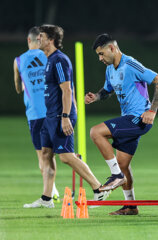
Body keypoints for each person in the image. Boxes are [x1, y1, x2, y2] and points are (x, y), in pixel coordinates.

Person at [24, 24, 109, 208]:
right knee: (46, 153)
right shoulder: (48, 59)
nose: (38, 39)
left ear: (51, 39)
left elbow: (67, 90)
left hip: (60, 115)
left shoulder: (59, 60)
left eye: (42, 36)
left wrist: (65, 116)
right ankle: (47, 199)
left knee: (65, 156)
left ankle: (99, 189)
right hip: (50, 115)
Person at [85, 33, 158, 215]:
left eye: (101, 54)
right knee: (122, 164)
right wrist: (96, 97)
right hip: (128, 119)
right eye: (98, 55)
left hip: (138, 119)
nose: (100, 58)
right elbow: (107, 91)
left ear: (112, 48)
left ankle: (116, 176)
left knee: (95, 132)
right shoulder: (109, 70)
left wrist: (152, 111)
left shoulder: (130, 64)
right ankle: (131, 206)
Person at [14, 26, 60, 204]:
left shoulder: (19, 60)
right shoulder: (49, 56)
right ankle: (51, 191)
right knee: (54, 154)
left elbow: (18, 89)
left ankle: (49, 193)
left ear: (28, 40)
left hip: (34, 115)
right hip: (53, 111)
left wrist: (27, 83)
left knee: (42, 156)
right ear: (41, 39)